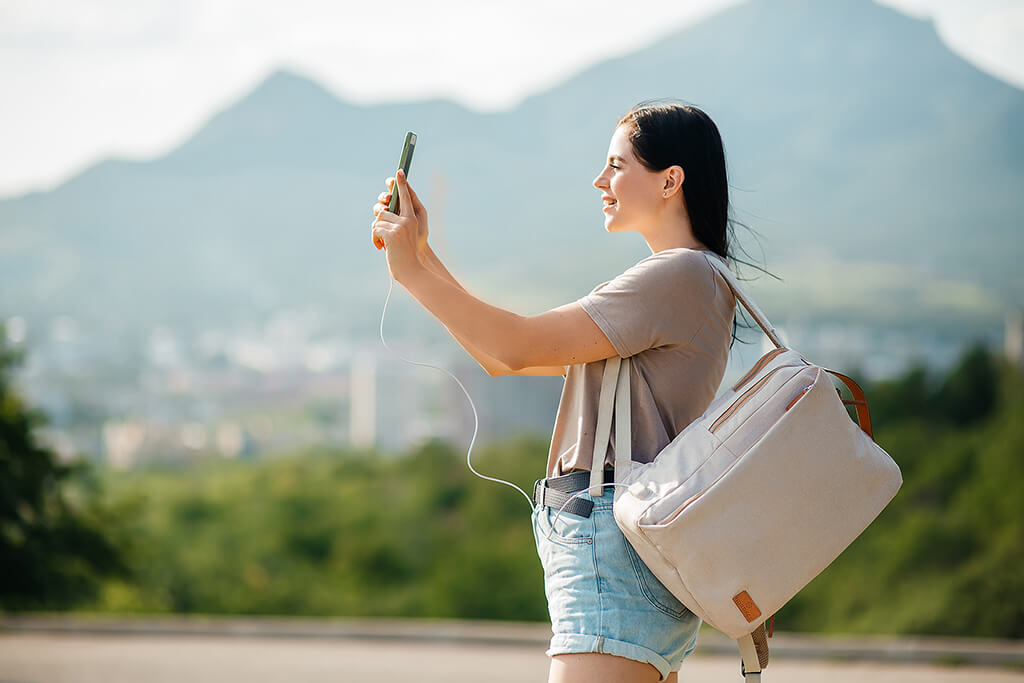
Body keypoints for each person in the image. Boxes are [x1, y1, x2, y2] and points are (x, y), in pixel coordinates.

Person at [371, 101, 738, 683]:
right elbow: (502, 357)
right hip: (630, 554)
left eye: (616, 166)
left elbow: (516, 347)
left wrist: (413, 273)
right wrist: (416, 255)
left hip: (611, 552)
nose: (601, 181)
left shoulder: (677, 276)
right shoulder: (696, 279)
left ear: (670, 180)